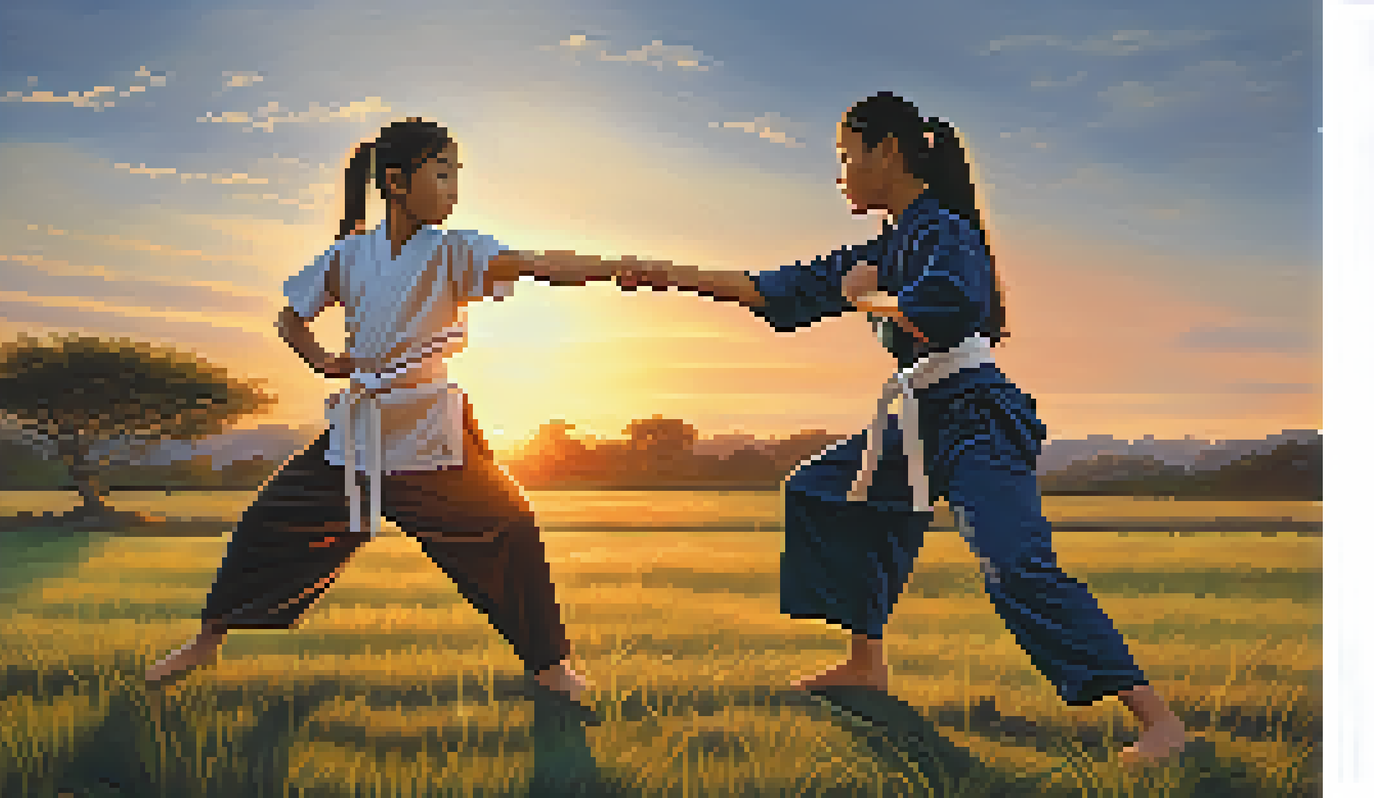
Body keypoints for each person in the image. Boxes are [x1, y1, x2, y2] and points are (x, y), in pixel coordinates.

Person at [614, 92, 1189, 763]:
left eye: (845, 156)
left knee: (1014, 564)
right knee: (822, 492)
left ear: (887, 150)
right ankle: (865, 664)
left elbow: (943, 311)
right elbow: (770, 288)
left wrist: (865, 299)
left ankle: (1160, 724)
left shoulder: (945, 231)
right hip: (917, 416)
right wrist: (661, 275)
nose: (840, 173)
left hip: (976, 414)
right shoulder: (887, 246)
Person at [145, 117, 681, 703]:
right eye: (443, 174)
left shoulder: (455, 250)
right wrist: (324, 362)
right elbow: (288, 317)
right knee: (268, 523)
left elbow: (532, 263)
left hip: (430, 432)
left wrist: (614, 269)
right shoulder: (349, 255)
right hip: (358, 432)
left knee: (511, 526)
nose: (454, 189)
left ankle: (551, 669)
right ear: (396, 182)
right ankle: (207, 641)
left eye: (457, 176)